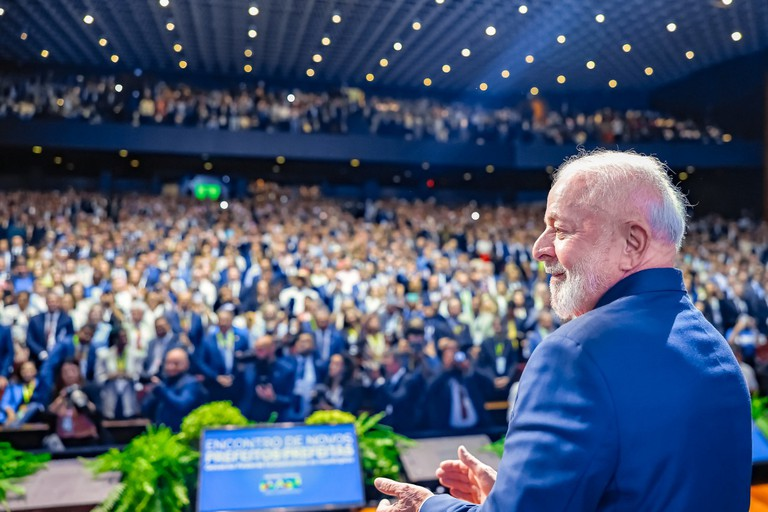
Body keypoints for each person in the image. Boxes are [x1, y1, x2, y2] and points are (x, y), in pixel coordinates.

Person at [373, 150, 751, 511]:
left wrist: (429, 506)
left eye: (560, 230)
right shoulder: (715, 349)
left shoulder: (574, 353)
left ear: (632, 242)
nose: (539, 249)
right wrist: (522, 490)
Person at [142, 347, 206, 432]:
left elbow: (182, 405)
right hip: (163, 432)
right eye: (168, 363)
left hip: (183, 433)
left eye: (176, 363)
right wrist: (152, 391)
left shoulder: (191, 383)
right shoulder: (165, 382)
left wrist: (161, 390)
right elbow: (146, 409)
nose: (171, 367)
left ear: (186, 364)